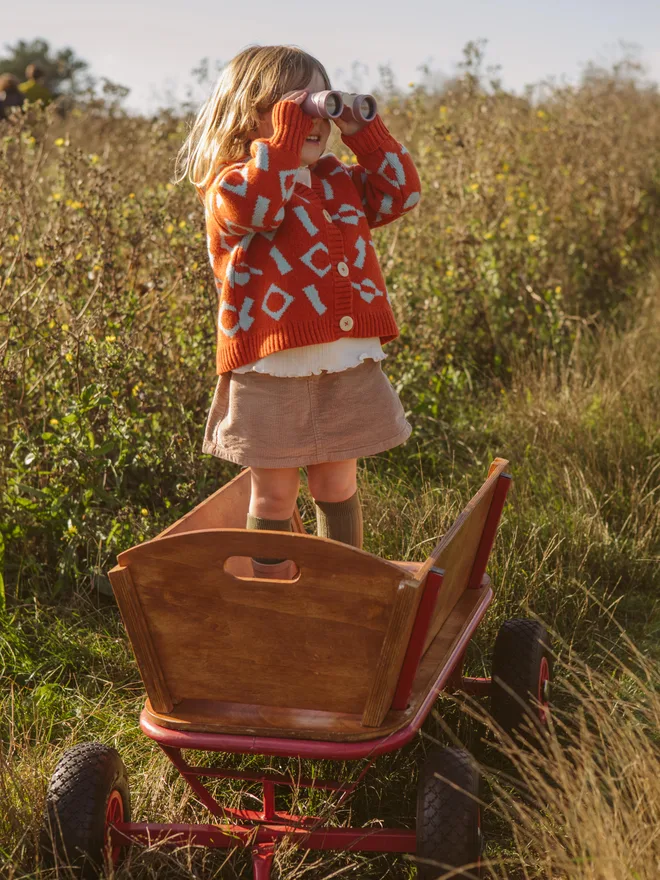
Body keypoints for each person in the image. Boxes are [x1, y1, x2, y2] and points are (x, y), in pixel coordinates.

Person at [176, 45, 421, 579]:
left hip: (345, 363)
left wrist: (364, 130)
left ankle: (340, 590)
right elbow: (257, 209)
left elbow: (402, 194)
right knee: (273, 498)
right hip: (271, 370)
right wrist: (283, 143)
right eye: (294, 107)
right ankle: (273, 605)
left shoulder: (336, 179)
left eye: (318, 107)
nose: (311, 121)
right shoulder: (232, 184)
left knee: (337, 486)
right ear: (249, 113)